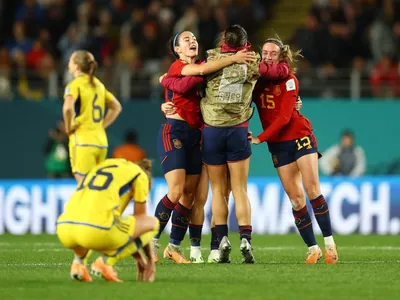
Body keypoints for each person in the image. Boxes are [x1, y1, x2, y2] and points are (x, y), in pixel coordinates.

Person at [152, 30, 256, 264]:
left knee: (190, 197)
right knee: (176, 190)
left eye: (194, 39)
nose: (192, 42)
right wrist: (233, 58)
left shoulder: (207, 66)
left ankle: (174, 247)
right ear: (177, 49)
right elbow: (196, 75)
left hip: (198, 134)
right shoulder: (178, 66)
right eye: (186, 40)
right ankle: (152, 241)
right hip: (175, 131)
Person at [251, 37, 338, 264]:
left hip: (300, 137)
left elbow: (285, 117)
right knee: (296, 200)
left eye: (273, 53)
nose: (268, 56)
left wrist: (261, 137)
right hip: (278, 145)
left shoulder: (289, 79)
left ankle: (330, 245)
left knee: (312, 190)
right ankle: (313, 249)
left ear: (281, 57)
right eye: (265, 53)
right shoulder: (256, 82)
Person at [197, 24, 261, 264]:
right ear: (245, 43)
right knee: (240, 189)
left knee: (219, 191)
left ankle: (222, 239)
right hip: (238, 130)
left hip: (212, 130)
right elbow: (272, 74)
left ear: (224, 39)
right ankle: (245, 238)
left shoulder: (211, 59)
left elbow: (198, 73)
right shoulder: (252, 62)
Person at [56, 158, 158, 282]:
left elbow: (124, 233)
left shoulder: (107, 165)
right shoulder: (140, 176)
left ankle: (78, 265)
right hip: (94, 231)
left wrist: (138, 257)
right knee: (153, 223)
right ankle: (105, 262)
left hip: (64, 228)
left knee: (96, 224)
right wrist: (150, 261)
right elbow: (142, 222)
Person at [63, 50, 122, 184]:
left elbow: (67, 108)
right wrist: (101, 126)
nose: (68, 63)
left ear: (76, 66)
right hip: (101, 143)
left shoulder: (75, 85)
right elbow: (116, 107)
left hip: (82, 141)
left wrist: (68, 127)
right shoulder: (98, 85)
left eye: (70, 61)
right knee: (97, 187)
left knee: (86, 189)